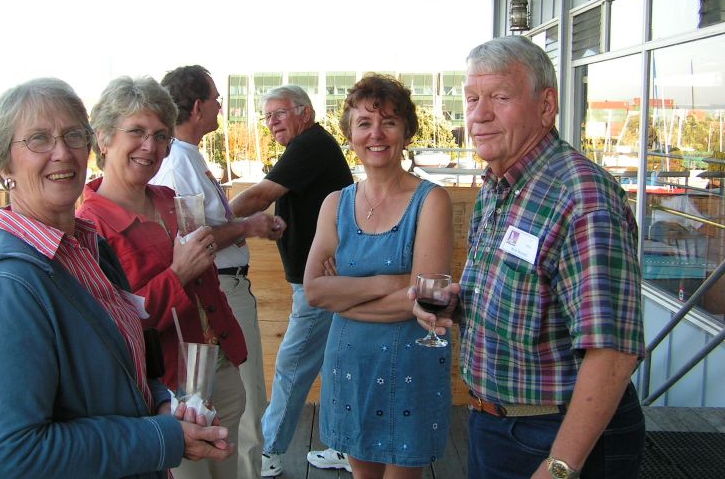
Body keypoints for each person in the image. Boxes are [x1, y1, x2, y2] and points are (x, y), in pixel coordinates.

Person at [0, 78, 233, 479]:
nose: (62, 152)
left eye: (73, 136)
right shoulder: (6, 285)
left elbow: (125, 365)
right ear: (4, 165)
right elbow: (12, 452)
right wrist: (161, 439)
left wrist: (161, 404)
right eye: (38, 139)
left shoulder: (90, 250)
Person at [413, 35, 645, 479]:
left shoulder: (582, 198)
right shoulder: (498, 187)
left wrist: (560, 466)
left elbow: (613, 352)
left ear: (546, 105)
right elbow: (530, 297)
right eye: (472, 98)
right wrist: (457, 305)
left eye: (499, 97)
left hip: (557, 434)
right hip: (493, 422)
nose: (479, 114)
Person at [77, 76, 247, 479]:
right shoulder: (90, 226)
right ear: (103, 139)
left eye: (161, 135)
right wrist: (177, 273)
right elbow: (112, 328)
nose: (150, 147)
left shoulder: (171, 201)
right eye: (136, 132)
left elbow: (207, 287)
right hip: (168, 392)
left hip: (220, 365)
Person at [304, 73, 454, 478]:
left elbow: (425, 300)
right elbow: (315, 291)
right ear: (350, 134)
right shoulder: (335, 203)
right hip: (349, 362)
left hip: (411, 363)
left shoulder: (432, 201)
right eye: (364, 123)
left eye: (388, 122)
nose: (376, 133)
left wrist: (346, 296)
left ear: (406, 131)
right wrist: (394, 284)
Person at [153, 64, 286, 479]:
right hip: (218, 292)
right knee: (244, 403)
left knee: (240, 401)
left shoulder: (187, 159)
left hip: (226, 288)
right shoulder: (178, 163)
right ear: (197, 107)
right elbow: (194, 238)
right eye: (216, 100)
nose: (219, 108)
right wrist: (250, 226)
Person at [227, 84, 354, 476]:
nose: (271, 122)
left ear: (305, 112)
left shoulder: (309, 145)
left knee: (293, 363)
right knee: (334, 361)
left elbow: (260, 195)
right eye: (266, 116)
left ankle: (269, 450)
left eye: (278, 113)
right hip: (327, 276)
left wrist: (214, 224)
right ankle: (347, 447)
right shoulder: (308, 148)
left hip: (321, 280)